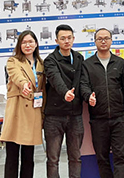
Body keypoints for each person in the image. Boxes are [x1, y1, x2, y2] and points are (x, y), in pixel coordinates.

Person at [80, 28, 124, 178]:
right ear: (95, 42)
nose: (103, 41)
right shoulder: (87, 64)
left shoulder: (120, 63)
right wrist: (88, 96)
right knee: (102, 157)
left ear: (111, 40)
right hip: (98, 119)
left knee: (121, 157)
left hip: (118, 118)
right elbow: (83, 85)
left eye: (106, 38)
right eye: (100, 39)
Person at [0, 30, 45, 178]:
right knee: (12, 156)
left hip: (33, 111)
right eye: (24, 42)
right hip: (17, 111)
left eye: (30, 42)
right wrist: (24, 84)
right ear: (19, 45)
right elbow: (17, 76)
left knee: (28, 157)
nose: (27, 45)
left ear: (36, 44)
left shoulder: (41, 64)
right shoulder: (13, 61)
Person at [43, 24, 85, 178]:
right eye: (63, 38)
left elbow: (83, 82)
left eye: (69, 38)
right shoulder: (50, 60)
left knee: (75, 157)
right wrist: (65, 92)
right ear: (56, 40)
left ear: (73, 39)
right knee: (53, 159)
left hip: (75, 115)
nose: (66, 41)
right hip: (54, 116)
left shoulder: (79, 58)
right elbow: (55, 79)